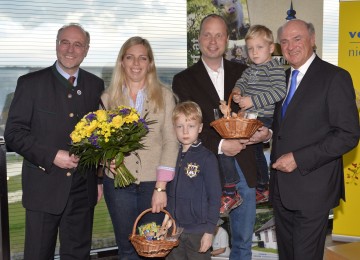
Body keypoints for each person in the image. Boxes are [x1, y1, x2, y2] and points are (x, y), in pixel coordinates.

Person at [4, 23, 105, 259]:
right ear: (56, 45)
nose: (70, 49)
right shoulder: (30, 84)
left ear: (86, 50)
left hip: (82, 190)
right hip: (43, 188)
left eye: (78, 44)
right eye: (65, 42)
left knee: (78, 255)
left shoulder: (95, 85)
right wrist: (52, 155)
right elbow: (14, 134)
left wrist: (98, 178)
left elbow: (100, 136)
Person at [268, 19, 360, 260]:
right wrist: (264, 133)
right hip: (281, 189)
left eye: (297, 38)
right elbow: (284, 129)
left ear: (312, 39)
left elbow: (348, 134)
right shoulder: (282, 79)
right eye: (285, 41)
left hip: (313, 189)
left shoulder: (335, 77)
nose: (291, 46)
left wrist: (299, 158)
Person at [172, 14, 258, 260]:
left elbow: (254, 113)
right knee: (199, 242)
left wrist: (261, 131)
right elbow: (186, 127)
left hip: (242, 164)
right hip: (200, 171)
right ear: (198, 39)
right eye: (207, 34)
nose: (213, 40)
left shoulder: (245, 73)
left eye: (219, 35)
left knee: (242, 242)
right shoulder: (183, 80)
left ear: (227, 40)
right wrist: (221, 145)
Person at [100, 36, 178, 259]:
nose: (136, 63)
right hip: (117, 185)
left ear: (150, 63)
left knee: (153, 249)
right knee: (126, 248)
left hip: (153, 184)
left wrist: (161, 188)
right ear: (122, 62)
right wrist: (107, 159)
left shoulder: (165, 96)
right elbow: (98, 141)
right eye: (130, 57)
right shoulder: (107, 99)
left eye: (142, 58)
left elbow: (171, 142)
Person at [232, 24, 286, 204]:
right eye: (250, 49)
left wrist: (252, 101)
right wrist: (238, 92)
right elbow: (241, 82)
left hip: (263, 116)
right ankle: (259, 185)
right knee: (252, 149)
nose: (254, 53)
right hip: (250, 116)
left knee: (255, 151)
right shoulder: (249, 70)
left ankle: (263, 185)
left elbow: (279, 92)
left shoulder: (274, 68)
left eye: (259, 47)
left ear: (271, 48)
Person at [166, 101, 222, 260]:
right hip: (174, 229)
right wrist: (167, 216)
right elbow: (168, 190)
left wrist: (209, 231)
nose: (185, 131)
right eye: (179, 126)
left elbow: (215, 196)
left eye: (190, 126)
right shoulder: (170, 156)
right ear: (173, 128)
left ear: (200, 127)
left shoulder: (207, 158)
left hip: (198, 231)